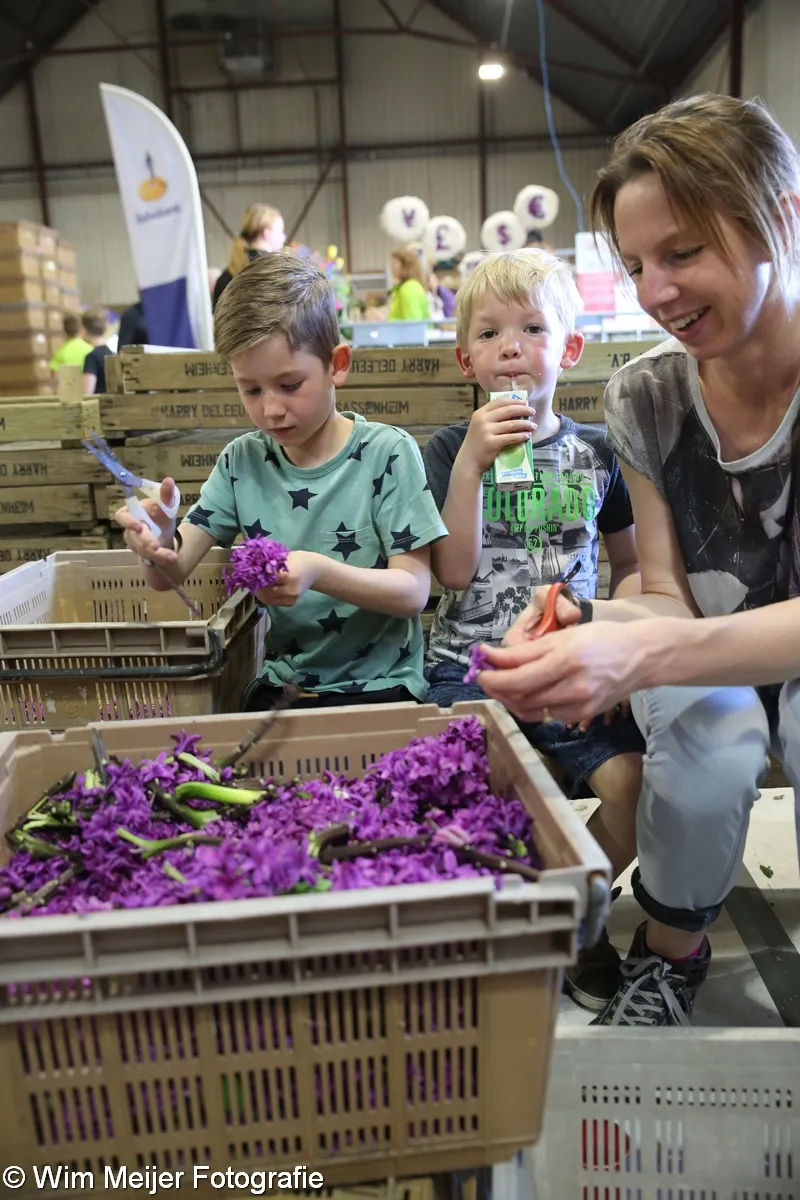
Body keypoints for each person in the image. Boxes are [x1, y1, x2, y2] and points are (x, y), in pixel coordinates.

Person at [476, 92, 800, 1027]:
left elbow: (677, 639)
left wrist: (651, 648)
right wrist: (593, 622)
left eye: (683, 252)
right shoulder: (646, 398)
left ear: (781, 217)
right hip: (705, 651)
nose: (656, 292)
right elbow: (663, 594)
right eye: (635, 265)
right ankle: (669, 950)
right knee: (712, 737)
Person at [422, 248, 644, 1011]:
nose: (511, 347)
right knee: (473, 793)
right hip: (469, 664)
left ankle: (571, 911)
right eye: (489, 333)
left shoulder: (600, 452)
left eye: (532, 328)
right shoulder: (447, 451)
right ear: (467, 360)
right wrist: (471, 465)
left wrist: (618, 647)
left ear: (570, 348)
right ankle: (498, 920)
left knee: (633, 787)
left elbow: (632, 567)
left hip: (569, 666)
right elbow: (452, 574)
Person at [115, 250, 447, 710]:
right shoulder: (241, 463)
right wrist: (157, 541)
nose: (270, 409)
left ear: (338, 364)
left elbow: (413, 590)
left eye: (290, 385)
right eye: (250, 389)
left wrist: (318, 571)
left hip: (382, 687)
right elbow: (168, 574)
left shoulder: (387, 454)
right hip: (282, 688)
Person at [213, 204, 285, 310]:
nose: (284, 237)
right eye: (281, 231)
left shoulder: (225, 277)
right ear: (266, 233)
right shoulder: (275, 271)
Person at [388, 248, 431, 321]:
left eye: (394, 263)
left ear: (405, 265)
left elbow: (413, 320)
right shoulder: (405, 286)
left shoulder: (409, 288)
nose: (392, 267)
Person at [49, 314, 92, 381]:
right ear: (81, 329)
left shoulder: (61, 351)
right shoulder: (90, 349)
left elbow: (56, 376)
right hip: (86, 386)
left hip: (68, 386)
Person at [81, 308, 112, 394]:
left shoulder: (92, 357)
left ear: (83, 329)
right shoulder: (111, 354)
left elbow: (87, 392)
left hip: (99, 402)